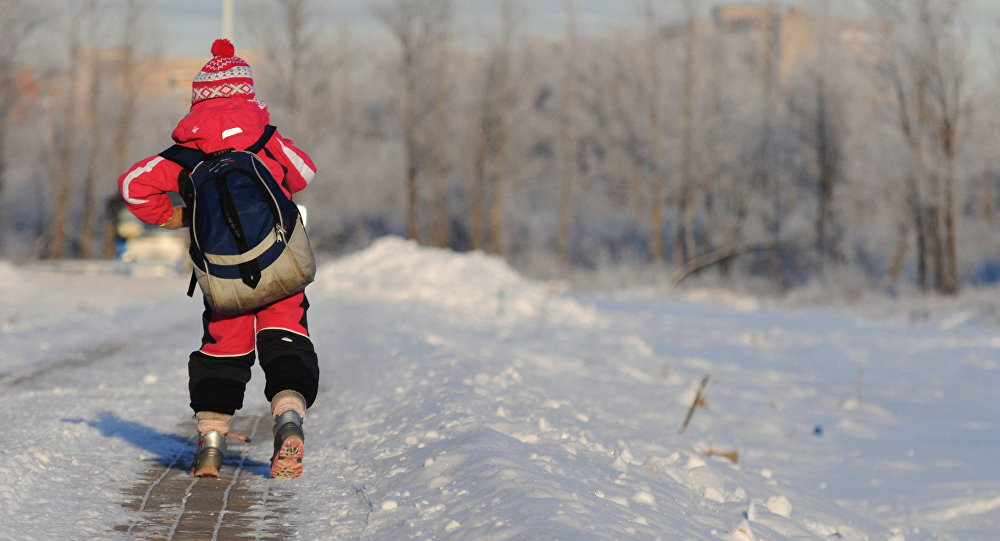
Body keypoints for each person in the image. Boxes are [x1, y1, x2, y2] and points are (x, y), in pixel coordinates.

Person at [117, 39, 319, 480]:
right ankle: (288, 423)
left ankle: (210, 448)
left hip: (223, 278)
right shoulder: (266, 138)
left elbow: (132, 185)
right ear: (247, 94)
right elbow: (304, 173)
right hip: (281, 266)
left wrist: (173, 216)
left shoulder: (186, 154)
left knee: (223, 350)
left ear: (198, 100)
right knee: (287, 339)